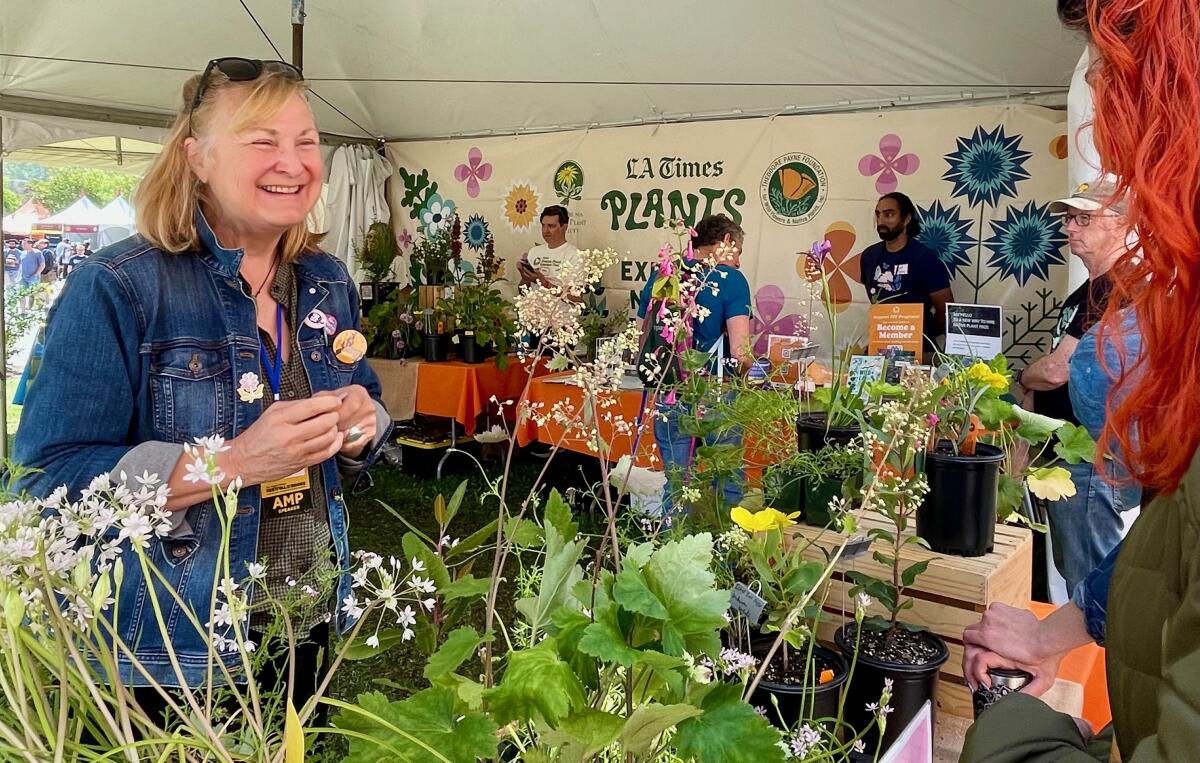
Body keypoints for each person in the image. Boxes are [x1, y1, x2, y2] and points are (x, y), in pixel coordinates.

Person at [12, 57, 392, 715]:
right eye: (262, 141)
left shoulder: (327, 281)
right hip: (170, 648)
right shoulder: (119, 287)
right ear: (198, 158)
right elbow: (47, 481)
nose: (293, 161)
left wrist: (365, 424)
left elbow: (364, 396)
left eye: (306, 142)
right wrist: (236, 463)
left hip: (306, 627)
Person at [962, 0, 1200, 759]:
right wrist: (1052, 632)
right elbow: (1167, 550)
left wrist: (1013, 731)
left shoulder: (1139, 296)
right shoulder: (1118, 296)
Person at [1012, 179, 1138, 592]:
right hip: (1075, 460)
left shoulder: (1120, 285)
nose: (1070, 228)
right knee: (1078, 581)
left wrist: (1021, 378)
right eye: (1069, 218)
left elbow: (1056, 370)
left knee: (1090, 590)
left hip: (1091, 463)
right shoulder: (1088, 291)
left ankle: (1101, 660)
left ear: (1122, 225)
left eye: (1085, 218)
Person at [636, 214, 752, 512]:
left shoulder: (663, 272)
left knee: (677, 482)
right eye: (737, 251)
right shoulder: (731, 279)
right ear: (725, 242)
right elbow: (741, 353)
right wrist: (751, 372)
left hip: (669, 389)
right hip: (716, 391)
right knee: (727, 478)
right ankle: (726, 551)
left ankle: (673, 551)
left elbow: (641, 336)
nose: (738, 262)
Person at [858, 192, 954, 354]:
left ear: (906, 219)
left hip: (918, 349)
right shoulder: (869, 256)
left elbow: (945, 310)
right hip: (879, 345)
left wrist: (919, 333)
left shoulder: (925, 258)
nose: (881, 221)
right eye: (878, 214)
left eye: (889, 214)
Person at [519, 205, 579, 289]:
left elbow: (576, 298)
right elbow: (522, 291)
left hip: (559, 302)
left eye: (551, 226)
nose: (545, 231)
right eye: (543, 225)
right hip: (532, 301)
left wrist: (543, 282)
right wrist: (525, 278)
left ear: (564, 227)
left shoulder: (574, 255)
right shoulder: (534, 252)